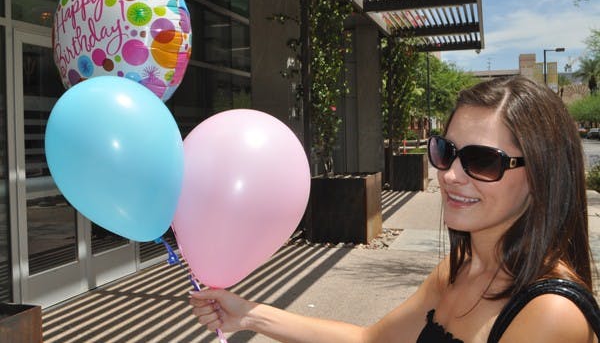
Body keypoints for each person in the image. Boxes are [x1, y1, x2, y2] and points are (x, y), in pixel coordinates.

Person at [190, 76, 599, 343]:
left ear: (541, 174)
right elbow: (371, 340)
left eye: (482, 160)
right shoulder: (458, 269)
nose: (451, 176)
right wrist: (248, 316)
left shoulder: (550, 313)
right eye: (446, 151)